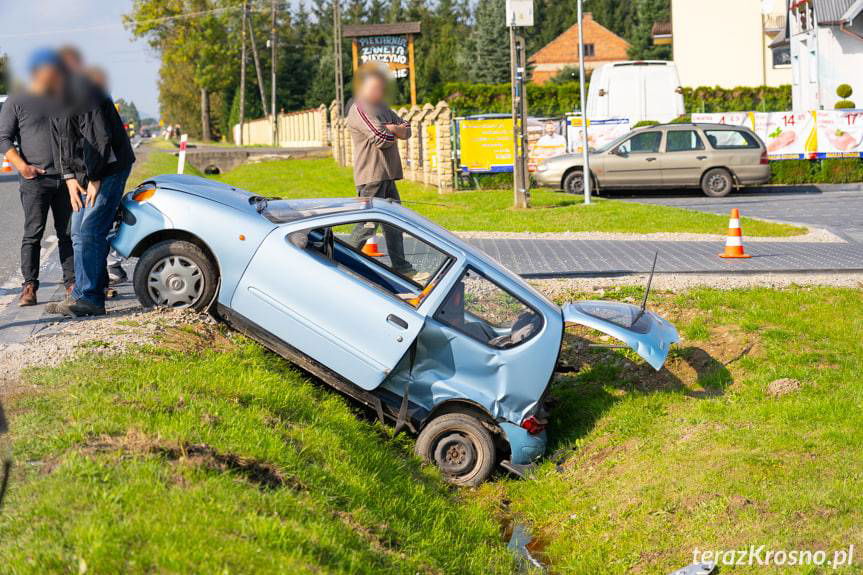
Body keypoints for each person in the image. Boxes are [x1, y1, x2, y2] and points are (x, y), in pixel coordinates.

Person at [47, 47, 135, 317]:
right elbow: (60, 142)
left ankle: (92, 299)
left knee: (91, 230)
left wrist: (95, 178)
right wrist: (69, 178)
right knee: (77, 232)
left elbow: (99, 138)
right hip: (85, 172)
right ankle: (80, 294)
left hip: (109, 168)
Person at [0, 49, 75, 306]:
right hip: (35, 181)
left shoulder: (62, 98)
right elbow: (3, 138)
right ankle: (29, 287)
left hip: (67, 179)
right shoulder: (17, 100)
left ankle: (72, 283)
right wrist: (22, 167)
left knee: (68, 233)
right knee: (33, 233)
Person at [345, 63, 417, 277]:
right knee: (367, 225)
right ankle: (343, 263)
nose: (379, 91)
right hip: (371, 178)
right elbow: (381, 139)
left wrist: (391, 128)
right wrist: (394, 130)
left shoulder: (383, 108)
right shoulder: (360, 108)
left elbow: (408, 129)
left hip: (388, 176)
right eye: (374, 87)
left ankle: (401, 268)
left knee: (395, 223)